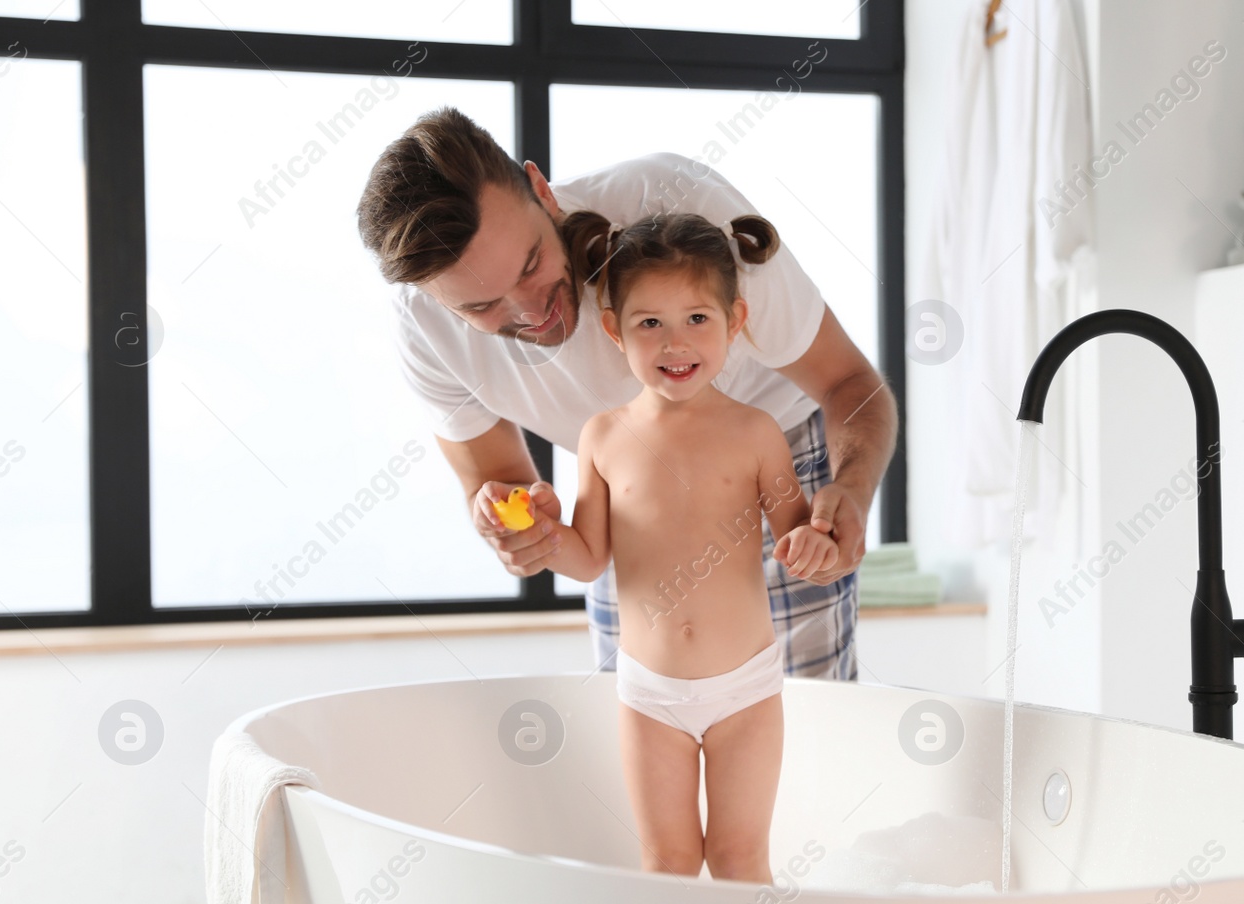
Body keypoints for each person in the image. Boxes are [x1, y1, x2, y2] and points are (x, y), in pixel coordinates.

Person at [355, 106, 899, 681]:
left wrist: (852, 493)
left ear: (541, 191)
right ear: (433, 299)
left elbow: (852, 386)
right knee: (638, 728)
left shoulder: (677, 204)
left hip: (782, 464)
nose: (531, 312)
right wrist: (519, 531)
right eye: (481, 307)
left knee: (806, 729)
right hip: (630, 500)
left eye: (531, 266)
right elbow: (500, 489)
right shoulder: (424, 330)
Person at [539, 210, 836, 882]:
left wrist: (812, 544)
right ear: (615, 329)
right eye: (651, 323)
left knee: (739, 857)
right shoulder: (604, 437)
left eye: (697, 319)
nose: (677, 342)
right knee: (667, 861)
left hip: (746, 687)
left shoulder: (757, 433)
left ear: (735, 320)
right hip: (650, 693)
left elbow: (795, 534)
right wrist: (542, 536)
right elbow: (588, 557)